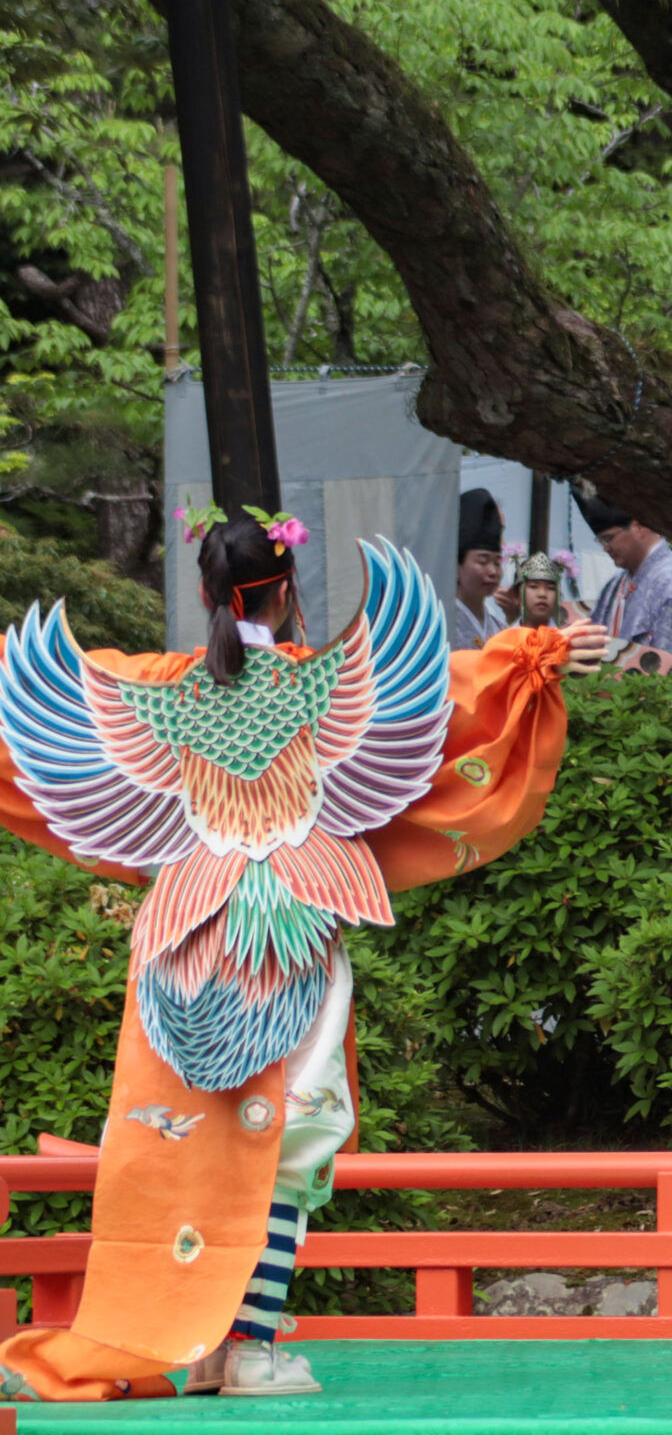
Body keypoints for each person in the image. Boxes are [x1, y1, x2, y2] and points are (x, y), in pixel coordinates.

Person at [0, 505, 605, 1403]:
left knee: (184, 1142)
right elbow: (456, 692)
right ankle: (247, 1346)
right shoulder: (326, 685)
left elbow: (42, 724)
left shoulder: (152, 688)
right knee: (288, 1139)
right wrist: (534, 656)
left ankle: (200, 1341)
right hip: (292, 933)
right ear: (286, 596)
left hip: (182, 935)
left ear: (204, 591)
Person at [578, 491, 672, 693]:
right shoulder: (616, 584)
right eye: (601, 542)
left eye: (609, 538)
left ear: (639, 526)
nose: (606, 548)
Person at [449, 487, 512, 651]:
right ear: (457, 567)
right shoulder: (439, 626)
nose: (493, 571)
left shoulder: (502, 630)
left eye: (497, 563)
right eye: (482, 562)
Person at [512, 551, 566, 629]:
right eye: (533, 586)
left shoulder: (565, 639)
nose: (542, 594)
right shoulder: (501, 639)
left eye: (551, 588)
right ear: (516, 595)